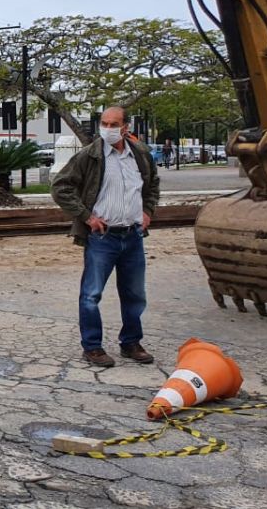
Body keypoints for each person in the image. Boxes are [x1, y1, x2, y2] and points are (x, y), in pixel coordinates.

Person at [51, 107, 160, 368]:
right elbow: (60, 187)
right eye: (104, 123)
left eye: (114, 124)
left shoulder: (140, 154)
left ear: (126, 127)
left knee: (135, 294)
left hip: (133, 236)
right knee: (91, 295)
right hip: (103, 238)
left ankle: (131, 342)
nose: (108, 128)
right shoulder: (90, 156)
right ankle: (92, 347)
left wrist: (147, 210)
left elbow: (152, 183)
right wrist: (87, 216)